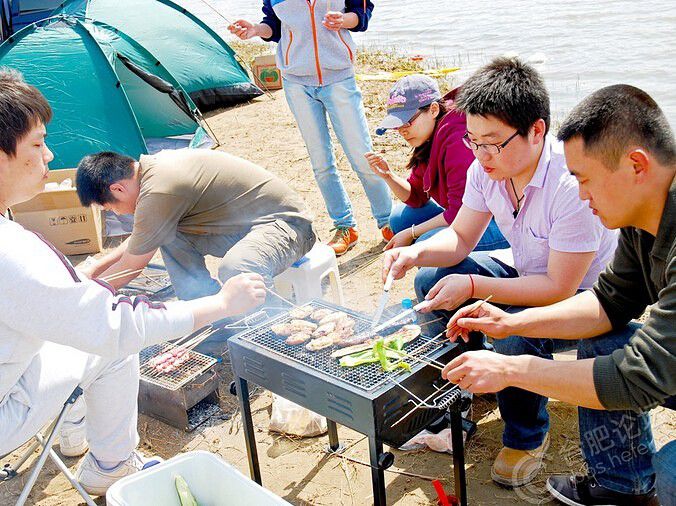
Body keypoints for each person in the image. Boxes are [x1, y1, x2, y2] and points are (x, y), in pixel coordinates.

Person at [0, 69, 267, 496]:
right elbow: (114, 327)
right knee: (112, 350)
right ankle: (111, 465)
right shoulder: (11, 249)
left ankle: (73, 434)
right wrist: (220, 305)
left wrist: (82, 277)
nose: (49, 155)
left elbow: (41, 296)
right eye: (37, 143)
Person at [383, 57, 619, 488]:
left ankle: (526, 435)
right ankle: (469, 387)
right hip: (531, 272)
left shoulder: (570, 185)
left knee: (509, 324)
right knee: (431, 279)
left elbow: (557, 288)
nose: (480, 155)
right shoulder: (485, 170)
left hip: (584, 299)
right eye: (473, 141)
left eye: (493, 143)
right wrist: (415, 253)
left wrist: (474, 285)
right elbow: (460, 238)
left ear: (537, 130)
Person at [444, 84, 674, 506]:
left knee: (668, 479)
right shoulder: (641, 218)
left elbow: (640, 376)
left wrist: (511, 368)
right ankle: (621, 489)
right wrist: (511, 323)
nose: (581, 194)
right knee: (605, 340)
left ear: (636, 165)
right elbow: (607, 303)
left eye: (585, 179)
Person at [228, 0, 393, 256]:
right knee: (321, 162)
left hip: (339, 78)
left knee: (363, 156)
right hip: (297, 84)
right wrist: (256, 30)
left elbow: (362, 13)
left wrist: (344, 20)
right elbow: (275, 26)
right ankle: (344, 226)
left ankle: (388, 221)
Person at [76, 149, 316, 299]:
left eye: (110, 208)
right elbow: (141, 240)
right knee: (168, 235)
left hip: (288, 226)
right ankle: (205, 305)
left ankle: (269, 329)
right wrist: (91, 272)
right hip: (246, 228)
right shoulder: (151, 172)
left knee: (236, 268)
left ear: (117, 189)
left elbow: (132, 265)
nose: (117, 213)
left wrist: (86, 297)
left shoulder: (159, 189)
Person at [365, 74, 508, 251]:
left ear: (433, 110)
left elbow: (460, 212)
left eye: (407, 121)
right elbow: (417, 197)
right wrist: (388, 176)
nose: (402, 130)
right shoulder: (429, 136)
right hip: (463, 214)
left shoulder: (458, 140)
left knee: (427, 243)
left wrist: (412, 233)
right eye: (397, 125)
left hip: (496, 221)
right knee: (399, 219)